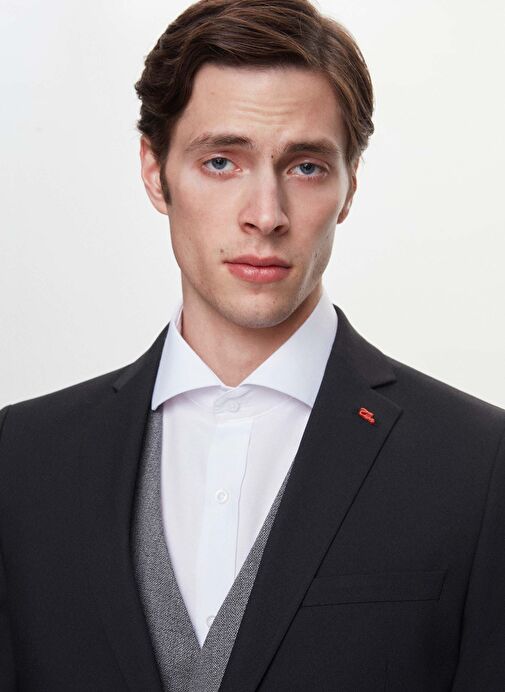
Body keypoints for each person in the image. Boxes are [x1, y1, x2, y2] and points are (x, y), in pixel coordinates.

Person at [1, 0, 504, 689]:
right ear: (154, 171)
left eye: (305, 167)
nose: (265, 215)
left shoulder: (477, 464)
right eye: (220, 162)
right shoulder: (22, 459)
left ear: (349, 185)